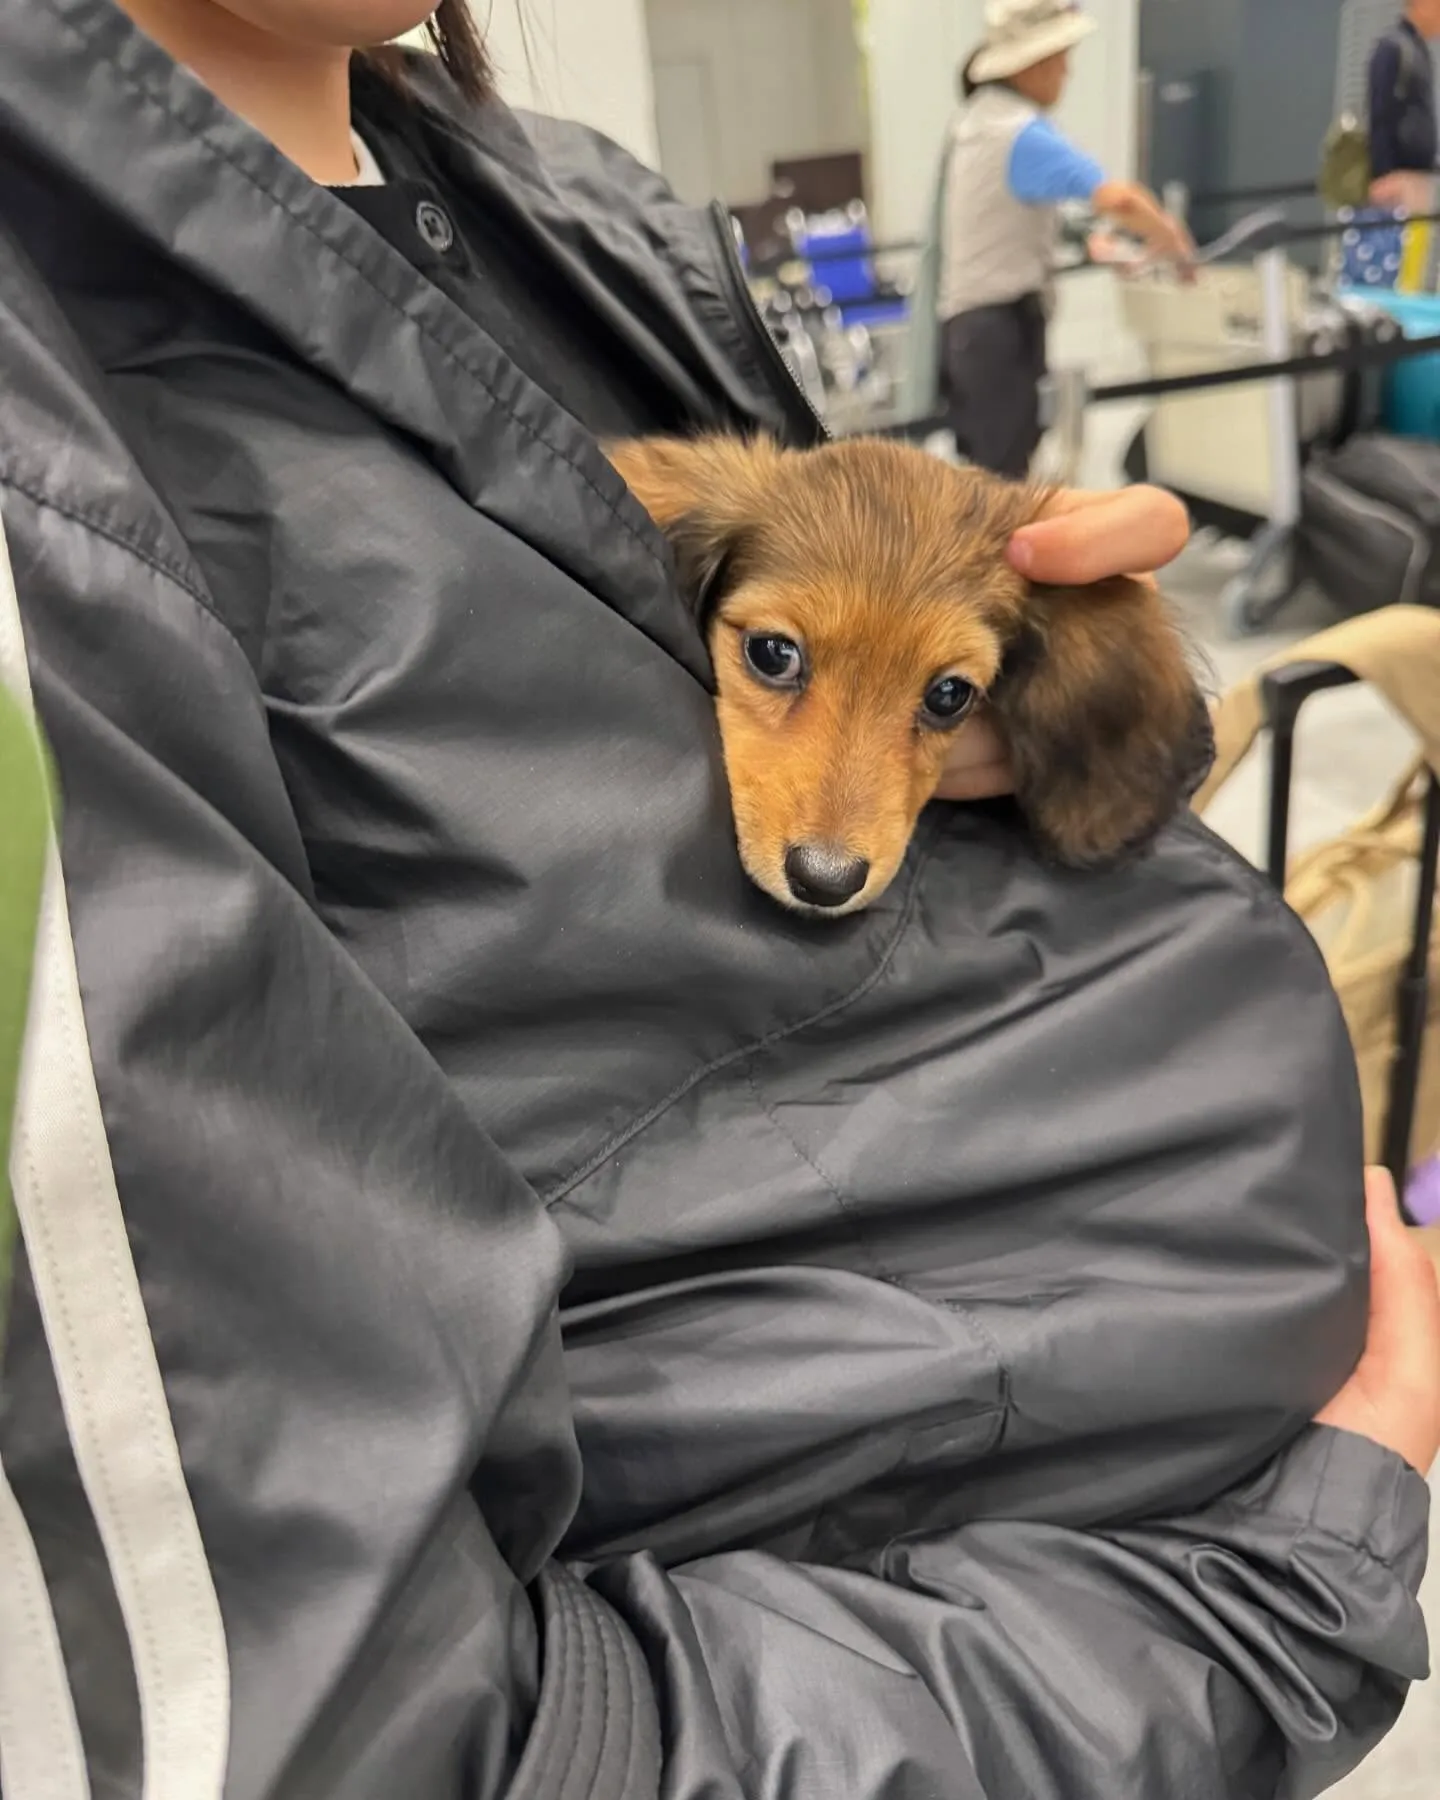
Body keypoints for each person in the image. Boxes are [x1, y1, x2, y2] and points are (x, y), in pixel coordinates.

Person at [0, 4, 1436, 1797]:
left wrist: (1056, 711)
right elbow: (384, 1738)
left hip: (1074, 1478)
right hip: (1025, 1630)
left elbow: (873, 746)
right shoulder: (46, 456)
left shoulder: (579, 217)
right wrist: (1272, 1607)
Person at [939, 0, 1194, 478]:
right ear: (1032, 64)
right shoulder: (1020, 133)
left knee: (991, 473)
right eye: (1061, 58)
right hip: (997, 330)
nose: (1067, 72)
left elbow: (1014, 213)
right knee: (1000, 484)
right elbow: (1119, 200)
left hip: (971, 329)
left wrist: (1088, 243)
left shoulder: (978, 121)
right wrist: (1175, 242)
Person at [1369, 0, 1440, 211]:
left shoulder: (1419, 51)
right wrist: (1383, 174)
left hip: (1417, 176)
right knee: (1399, 242)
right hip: (1398, 180)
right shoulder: (1392, 47)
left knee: (1415, 243)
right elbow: (1379, 112)